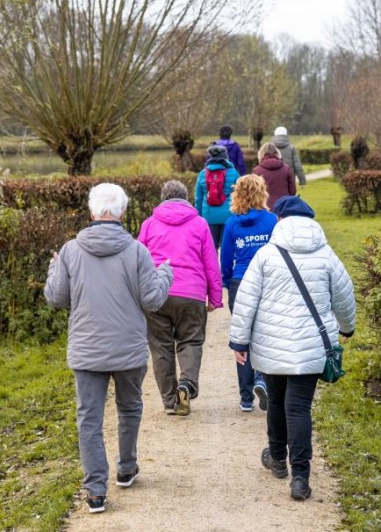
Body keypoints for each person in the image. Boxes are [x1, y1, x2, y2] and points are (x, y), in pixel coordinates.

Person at [44, 183, 173, 514]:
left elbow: (57, 298)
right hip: (128, 349)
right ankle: (126, 468)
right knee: (129, 407)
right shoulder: (137, 251)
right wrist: (165, 275)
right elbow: (153, 300)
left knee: (89, 418)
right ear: (123, 213)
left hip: (87, 351)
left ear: (91, 212)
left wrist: (54, 268)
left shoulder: (71, 251)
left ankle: (96, 491)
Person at [229, 195, 356, 501]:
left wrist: (239, 341)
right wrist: (347, 328)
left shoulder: (266, 255)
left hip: (270, 345)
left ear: (281, 220)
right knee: (298, 408)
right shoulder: (326, 254)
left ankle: (276, 459)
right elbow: (344, 293)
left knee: (275, 401)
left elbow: (246, 300)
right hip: (311, 346)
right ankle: (300, 477)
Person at [138, 180, 223, 416]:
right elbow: (210, 264)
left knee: (160, 347)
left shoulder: (148, 224)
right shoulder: (200, 223)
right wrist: (215, 297)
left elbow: (136, 261)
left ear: (163, 197)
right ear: (185, 197)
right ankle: (186, 385)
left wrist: (135, 295)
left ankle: (169, 401)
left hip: (156, 293)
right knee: (191, 341)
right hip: (192, 294)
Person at [220, 174, 278, 412]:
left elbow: (225, 258)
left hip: (240, 282)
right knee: (265, 335)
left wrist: (227, 283)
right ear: (262, 193)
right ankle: (262, 380)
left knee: (242, 339)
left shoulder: (232, 223)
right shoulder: (272, 221)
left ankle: (246, 398)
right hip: (266, 282)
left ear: (238, 194)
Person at [194, 144, 240, 250]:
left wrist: (200, 218)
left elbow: (198, 199)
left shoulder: (202, 174)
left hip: (209, 216)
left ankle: (213, 267)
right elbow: (240, 196)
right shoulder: (233, 173)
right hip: (228, 216)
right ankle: (225, 267)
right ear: (226, 157)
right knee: (227, 248)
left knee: (210, 249)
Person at [253, 142, 296, 209]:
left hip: (265, 208)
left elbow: (254, 193)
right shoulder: (286, 168)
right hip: (284, 207)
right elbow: (292, 191)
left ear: (261, 154)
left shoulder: (257, 171)